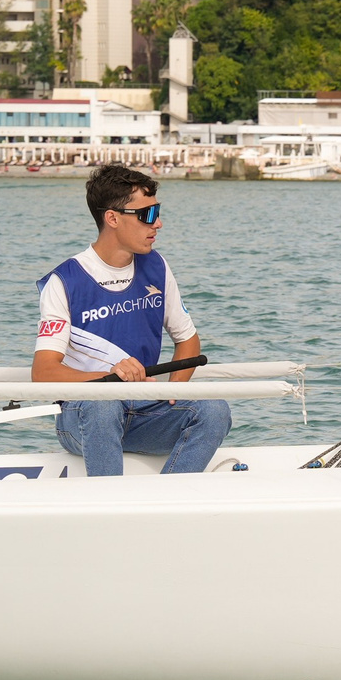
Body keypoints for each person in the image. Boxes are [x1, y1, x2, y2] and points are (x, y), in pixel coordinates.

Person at [32, 163, 232, 475]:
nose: (159, 223)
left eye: (158, 211)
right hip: (82, 415)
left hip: (145, 411)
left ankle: (163, 504)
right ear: (112, 218)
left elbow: (188, 340)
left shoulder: (157, 267)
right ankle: (111, 509)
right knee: (102, 404)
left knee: (215, 410)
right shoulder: (64, 282)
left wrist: (171, 390)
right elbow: (43, 373)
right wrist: (107, 377)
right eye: (147, 215)